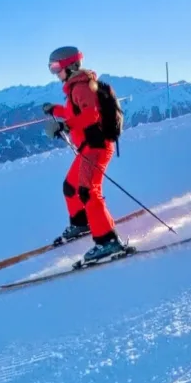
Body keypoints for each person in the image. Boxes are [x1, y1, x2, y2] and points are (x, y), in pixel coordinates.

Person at [43, 45, 125, 264]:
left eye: (56, 67)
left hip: (96, 147)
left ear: (69, 65)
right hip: (87, 148)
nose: (54, 72)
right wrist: (56, 110)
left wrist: (64, 126)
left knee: (88, 191)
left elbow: (91, 114)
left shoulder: (81, 87)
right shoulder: (74, 88)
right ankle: (82, 224)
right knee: (70, 187)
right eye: (51, 68)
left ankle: (107, 241)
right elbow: (75, 112)